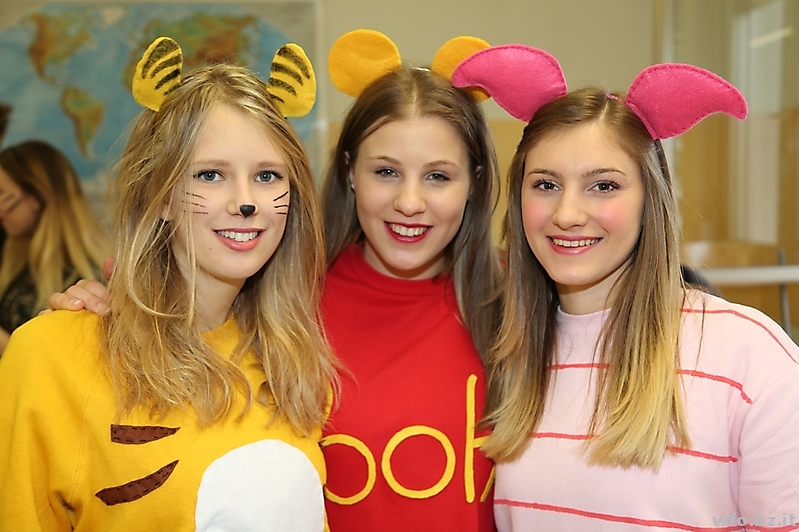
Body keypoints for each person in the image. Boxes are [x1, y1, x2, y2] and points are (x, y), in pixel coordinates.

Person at [48, 29, 504, 531]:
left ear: (475, 182)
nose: (410, 202)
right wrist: (101, 310)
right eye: (386, 171)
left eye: (438, 176)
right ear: (350, 172)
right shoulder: (285, 301)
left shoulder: (517, 303)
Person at [453, 45, 799, 530]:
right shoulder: (505, 350)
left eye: (604, 186)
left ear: (649, 200)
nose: (568, 214)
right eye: (546, 184)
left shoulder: (749, 357)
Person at [0, 37, 337, 531]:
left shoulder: (294, 360)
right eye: (210, 175)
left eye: (267, 176)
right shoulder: (53, 356)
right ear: (160, 196)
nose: (245, 202)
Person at [0, 139, 110, 353]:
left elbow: (57, 359)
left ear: (37, 196)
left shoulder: (85, 280)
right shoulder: (15, 257)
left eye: (2, 194)